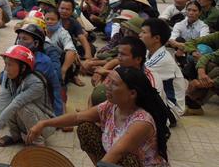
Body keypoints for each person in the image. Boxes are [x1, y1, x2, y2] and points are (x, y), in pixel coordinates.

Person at [26, 67, 170, 167]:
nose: (107, 86)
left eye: (114, 84)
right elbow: (77, 117)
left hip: (133, 163)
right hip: (115, 158)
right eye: (108, 81)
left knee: (127, 159)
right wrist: (44, 123)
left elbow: (117, 153)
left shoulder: (141, 122)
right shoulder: (111, 106)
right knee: (85, 127)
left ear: (132, 93)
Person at [0, 45, 55, 147]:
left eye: (10, 65)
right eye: (5, 64)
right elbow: (2, 98)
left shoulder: (36, 83)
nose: (6, 69)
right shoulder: (8, 75)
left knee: (20, 106)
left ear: (23, 67)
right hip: (26, 119)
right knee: (8, 102)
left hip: (44, 125)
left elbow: (16, 103)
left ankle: (37, 142)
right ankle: (16, 136)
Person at [140, 18, 186, 119]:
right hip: (161, 103)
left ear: (156, 38)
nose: (140, 35)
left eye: (144, 32)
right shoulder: (149, 52)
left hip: (171, 110)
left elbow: (135, 76)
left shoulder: (162, 59)